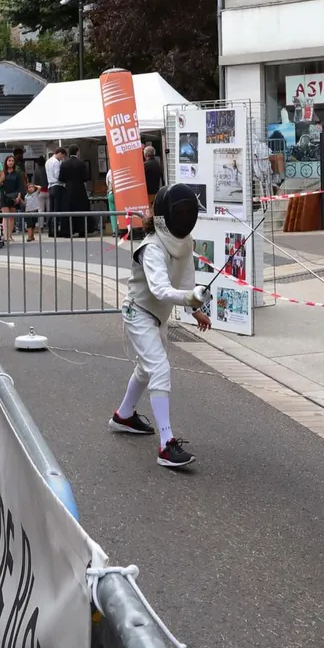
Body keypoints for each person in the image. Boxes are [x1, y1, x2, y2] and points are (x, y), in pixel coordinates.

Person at [108, 184, 211, 469]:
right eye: (182, 212)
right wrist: (189, 298)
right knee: (159, 369)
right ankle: (166, 444)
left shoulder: (184, 242)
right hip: (138, 312)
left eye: (190, 212)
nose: (186, 216)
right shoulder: (151, 248)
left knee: (146, 368)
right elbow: (161, 290)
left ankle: (124, 415)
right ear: (167, 216)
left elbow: (187, 279)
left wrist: (196, 309)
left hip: (156, 317)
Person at [58, 145, 92, 236]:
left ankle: (68, 231)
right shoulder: (81, 163)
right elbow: (86, 177)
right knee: (81, 208)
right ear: (77, 152)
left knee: (68, 208)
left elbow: (60, 178)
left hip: (68, 188)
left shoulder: (64, 164)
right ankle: (82, 230)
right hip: (80, 188)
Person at [0, 154, 26, 242]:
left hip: (14, 196)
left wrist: (19, 196)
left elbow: (20, 185)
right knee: (5, 216)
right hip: (4, 195)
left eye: (12, 161)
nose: (10, 162)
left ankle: (10, 235)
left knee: (12, 217)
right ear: (6, 162)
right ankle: (5, 235)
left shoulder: (18, 173)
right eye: (9, 161)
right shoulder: (2, 172)